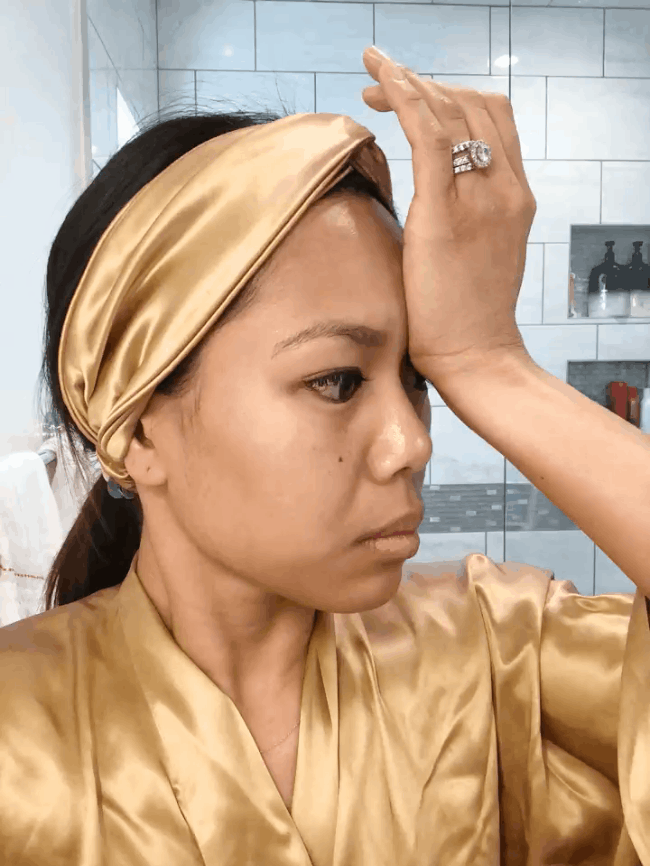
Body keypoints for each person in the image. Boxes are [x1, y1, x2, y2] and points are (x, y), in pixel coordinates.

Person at [1, 44, 649, 865]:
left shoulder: (498, 650)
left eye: (417, 378)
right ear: (139, 431)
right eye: (338, 381)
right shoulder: (18, 732)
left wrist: (492, 364)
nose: (413, 441)